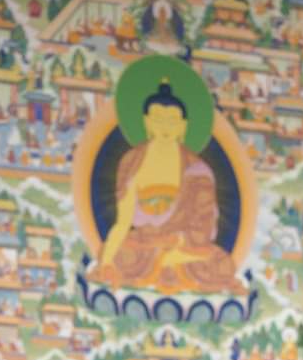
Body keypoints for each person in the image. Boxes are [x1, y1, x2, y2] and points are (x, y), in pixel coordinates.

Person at [95, 81, 240, 293]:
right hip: (146, 245)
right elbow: (123, 222)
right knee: (115, 254)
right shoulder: (131, 162)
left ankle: (167, 265)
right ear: (147, 122)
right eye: (158, 119)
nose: (165, 127)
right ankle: (160, 266)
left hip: (184, 248)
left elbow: (203, 230)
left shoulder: (198, 170)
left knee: (222, 265)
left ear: (183, 126)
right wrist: (106, 262)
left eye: (172, 120)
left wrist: (176, 253)